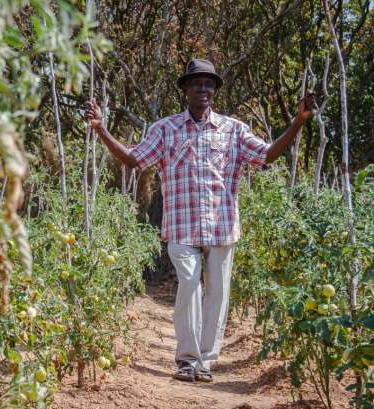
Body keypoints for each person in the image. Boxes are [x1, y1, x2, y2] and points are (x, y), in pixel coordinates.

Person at [85, 59, 316, 382]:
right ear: (185, 90)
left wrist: (297, 122)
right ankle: (187, 360)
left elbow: (266, 155)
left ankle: (206, 362)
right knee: (190, 286)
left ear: (215, 90)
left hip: (222, 227)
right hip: (181, 227)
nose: (204, 89)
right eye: (197, 83)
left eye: (209, 84)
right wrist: (101, 130)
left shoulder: (233, 130)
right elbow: (134, 159)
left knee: (218, 296)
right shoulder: (165, 129)